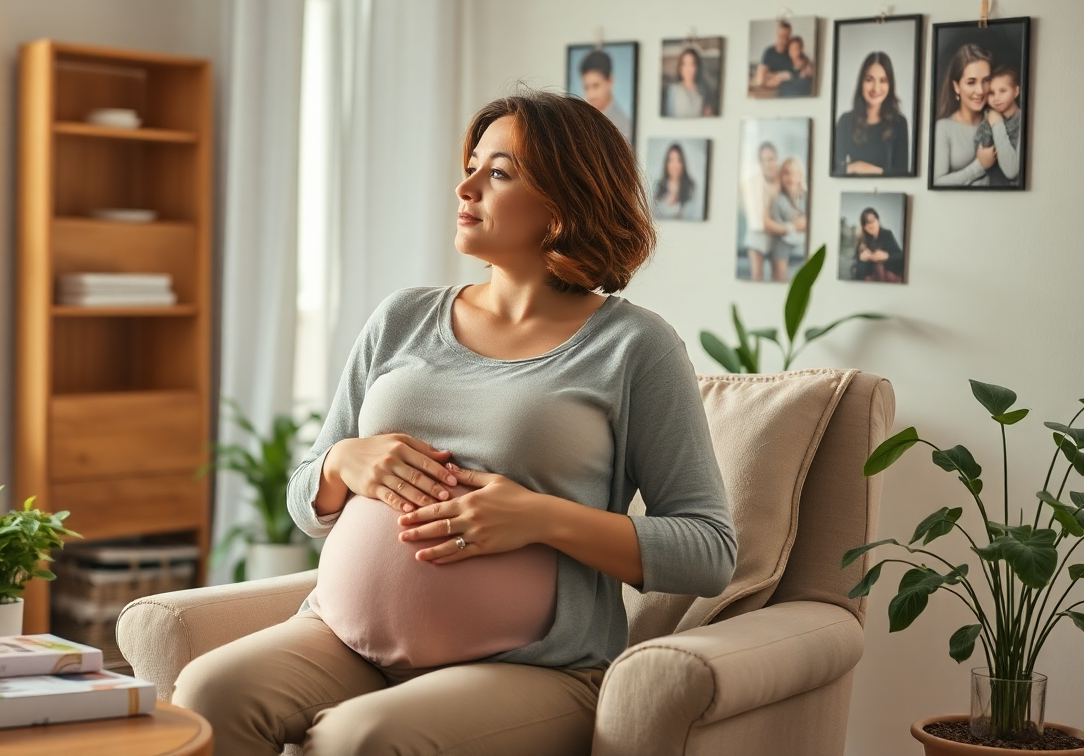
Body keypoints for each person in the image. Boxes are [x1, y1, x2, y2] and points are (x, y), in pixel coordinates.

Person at [173, 91, 736, 755]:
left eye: (498, 173)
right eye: (470, 165)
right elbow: (306, 499)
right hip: (342, 639)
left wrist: (539, 517)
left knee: (362, 739)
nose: (465, 186)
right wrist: (339, 464)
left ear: (566, 202)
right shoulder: (403, 317)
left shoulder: (634, 348)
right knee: (207, 694)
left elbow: (709, 551)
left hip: (533, 670)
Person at [834, 51, 910, 176]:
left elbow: (902, 173)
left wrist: (863, 168)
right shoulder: (845, 121)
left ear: (890, 85)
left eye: (883, 80)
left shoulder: (900, 123)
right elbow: (836, 169)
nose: (876, 88)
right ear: (861, 83)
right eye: (869, 79)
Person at [932, 43, 994, 187]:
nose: (980, 90)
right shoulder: (943, 128)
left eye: (986, 80)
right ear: (956, 86)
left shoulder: (995, 120)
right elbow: (938, 183)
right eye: (971, 82)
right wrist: (979, 165)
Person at [739, 141, 783, 281]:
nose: (768, 164)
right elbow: (759, 220)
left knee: (779, 276)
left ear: (776, 159)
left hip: (777, 234)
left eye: (771, 159)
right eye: (764, 160)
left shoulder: (782, 181)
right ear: (760, 163)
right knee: (757, 276)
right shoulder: (753, 182)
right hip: (757, 234)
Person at [977, 65, 1023, 187]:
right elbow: (982, 151)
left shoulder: (1022, 121)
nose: (996, 98)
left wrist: (997, 124)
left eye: (1003, 91)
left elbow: (1011, 171)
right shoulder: (987, 119)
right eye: (991, 93)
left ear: (1016, 91)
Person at [766, 157, 807, 283]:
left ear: (800, 175)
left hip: (802, 241)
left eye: (794, 173)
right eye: (786, 173)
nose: (790, 177)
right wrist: (793, 226)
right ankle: (780, 278)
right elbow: (777, 226)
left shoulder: (806, 197)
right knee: (779, 244)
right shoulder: (779, 200)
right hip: (784, 241)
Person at [578, 49, 633, 140]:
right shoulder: (581, 121)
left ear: (610, 81)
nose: (591, 95)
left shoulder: (622, 124)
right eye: (586, 87)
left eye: (596, 86)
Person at [852, 207, 904, 283]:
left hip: (888, 275)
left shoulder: (887, 234)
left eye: (872, 221)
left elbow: (900, 256)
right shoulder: (863, 237)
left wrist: (886, 256)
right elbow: (857, 262)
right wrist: (861, 258)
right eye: (865, 223)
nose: (870, 225)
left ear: (878, 220)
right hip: (869, 278)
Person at [663, 47, 715, 117]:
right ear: (680, 67)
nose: (688, 69)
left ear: (697, 67)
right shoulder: (673, 90)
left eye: (692, 64)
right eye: (685, 64)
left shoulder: (703, 90)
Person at [653, 143, 698, 220]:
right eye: (671, 160)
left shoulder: (691, 188)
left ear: (683, 164)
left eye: (679, 160)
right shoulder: (658, 186)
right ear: (666, 164)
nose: (675, 165)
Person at [753, 19, 795, 93]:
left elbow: (792, 76)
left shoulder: (792, 51)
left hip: (787, 90)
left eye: (787, 37)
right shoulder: (769, 52)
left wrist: (772, 76)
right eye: (781, 37)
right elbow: (760, 78)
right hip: (769, 89)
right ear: (776, 35)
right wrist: (779, 76)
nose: (784, 40)